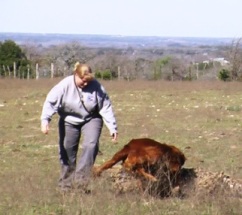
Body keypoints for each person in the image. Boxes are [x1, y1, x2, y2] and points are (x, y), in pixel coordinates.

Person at [40, 62, 118, 192]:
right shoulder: (64, 85)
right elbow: (50, 102)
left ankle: (81, 182)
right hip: (68, 119)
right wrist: (45, 120)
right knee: (67, 150)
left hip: (92, 118)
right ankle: (65, 185)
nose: (85, 84)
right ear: (75, 74)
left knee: (91, 145)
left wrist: (112, 127)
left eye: (88, 81)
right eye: (82, 80)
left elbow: (106, 107)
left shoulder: (97, 86)